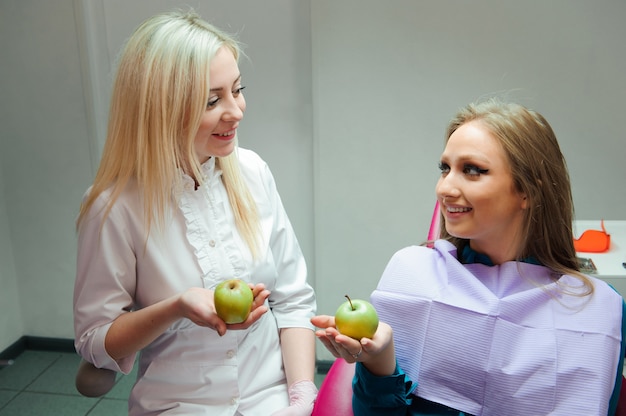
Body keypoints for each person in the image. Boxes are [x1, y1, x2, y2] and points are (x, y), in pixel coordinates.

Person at [312, 99, 626, 415]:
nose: (445, 188)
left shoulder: (596, 309)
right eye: (445, 168)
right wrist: (378, 360)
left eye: (472, 171)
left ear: (528, 192)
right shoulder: (412, 275)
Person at [73, 10, 317, 415]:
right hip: (177, 406)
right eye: (212, 100)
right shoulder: (113, 207)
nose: (236, 111)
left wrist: (301, 398)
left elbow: (294, 301)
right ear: (160, 108)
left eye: (237, 90)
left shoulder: (253, 171)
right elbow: (96, 342)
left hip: (272, 399)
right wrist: (176, 306)